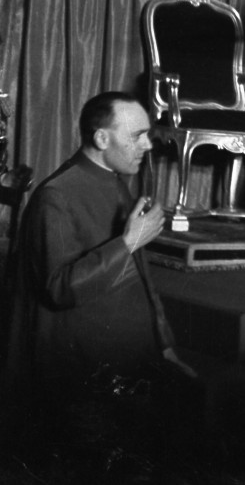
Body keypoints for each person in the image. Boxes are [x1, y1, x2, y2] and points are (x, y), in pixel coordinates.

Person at [1, 93, 192, 442]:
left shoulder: (115, 181)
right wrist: (128, 241)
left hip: (132, 357)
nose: (149, 145)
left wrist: (164, 343)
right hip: (81, 370)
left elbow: (140, 275)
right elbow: (60, 289)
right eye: (138, 136)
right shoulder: (55, 196)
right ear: (102, 139)